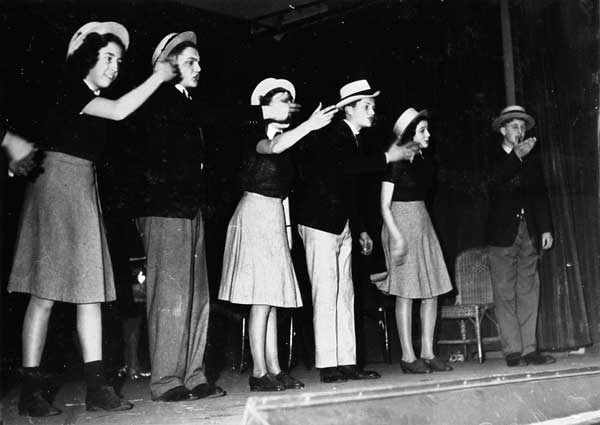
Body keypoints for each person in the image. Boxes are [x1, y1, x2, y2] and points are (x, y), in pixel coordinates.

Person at [7, 21, 175, 417]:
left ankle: (98, 388)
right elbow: (118, 111)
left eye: (119, 61)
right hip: (56, 189)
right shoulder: (71, 90)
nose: (115, 67)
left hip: (83, 189)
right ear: (86, 58)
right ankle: (30, 390)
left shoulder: (91, 98)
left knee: (90, 294)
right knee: (44, 294)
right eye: (108, 58)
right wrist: (157, 77)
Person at [135, 32, 297, 402]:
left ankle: (194, 376)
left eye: (198, 61)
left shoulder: (184, 100)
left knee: (197, 297)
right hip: (164, 210)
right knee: (171, 297)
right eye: (190, 61)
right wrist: (264, 113)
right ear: (168, 64)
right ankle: (165, 380)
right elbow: (212, 116)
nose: (199, 67)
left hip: (189, 209)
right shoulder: (160, 96)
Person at [295, 79, 419, 383]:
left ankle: (347, 362)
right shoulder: (334, 134)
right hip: (319, 223)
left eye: (373, 106)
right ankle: (328, 365)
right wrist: (388, 157)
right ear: (348, 109)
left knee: (345, 293)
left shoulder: (354, 138)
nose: (373, 111)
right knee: (327, 292)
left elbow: (347, 188)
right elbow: (348, 167)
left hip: (341, 223)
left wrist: (360, 228)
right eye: (367, 106)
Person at [218, 78, 337, 391]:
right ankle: (258, 372)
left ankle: (274, 367)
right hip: (255, 214)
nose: (290, 106)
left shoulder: (287, 142)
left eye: (290, 100)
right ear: (265, 106)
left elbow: (283, 191)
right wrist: (309, 125)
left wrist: (286, 230)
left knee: (271, 298)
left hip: (273, 217)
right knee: (261, 298)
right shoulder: (254, 134)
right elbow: (271, 147)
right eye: (283, 100)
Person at [378, 107, 453, 374]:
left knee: (431, 291)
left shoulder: (425, 162)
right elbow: (384, 205)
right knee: (406, 293)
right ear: (410, 135)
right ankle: (408, 356)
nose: (428, 134)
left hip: (422, 224)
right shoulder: (395, 162)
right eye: (422, 130)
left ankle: (428, 353)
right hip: (400, 224)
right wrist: (396, 236)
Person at [487, 105, 555, 367]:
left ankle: (529, 349)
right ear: (503, 130)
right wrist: (515, 157)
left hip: (530, 231)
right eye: (514, 126)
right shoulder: (492, 157)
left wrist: (546, 228)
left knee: (528, 290)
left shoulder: (532, 159)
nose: (520, 131)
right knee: (504, 292)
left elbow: (541, 194)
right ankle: (513, 351)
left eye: (523, 127)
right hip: (502, 233)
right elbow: (491, 185)